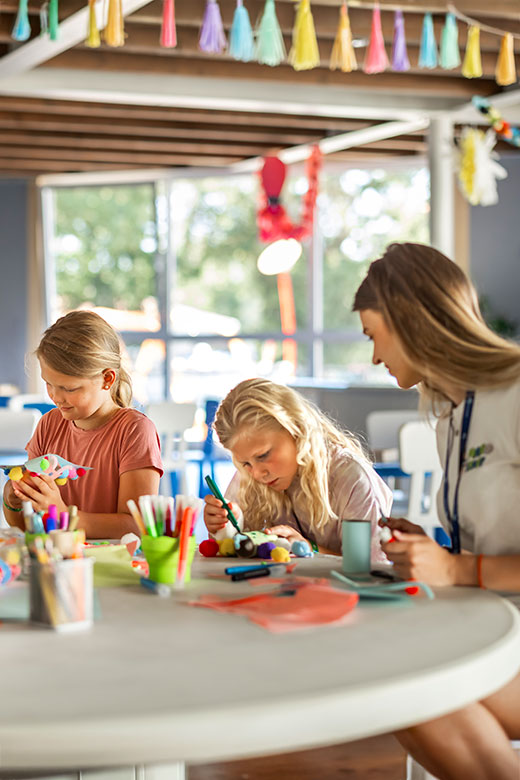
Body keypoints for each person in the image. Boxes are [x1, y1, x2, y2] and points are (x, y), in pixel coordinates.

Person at [353, 241, 520, 780]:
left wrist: (456, 570)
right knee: (395, 673)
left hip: (505, 625)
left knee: (417, 690)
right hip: (497, 620)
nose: (375, 357)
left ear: (412, 323)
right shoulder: (450, 408)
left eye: (374, 337)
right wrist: (433, 547)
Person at [3, 310, 163, 538]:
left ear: (107, 379)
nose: (56, 397)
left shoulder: (134, 430)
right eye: (48, 384)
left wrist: (62, 514)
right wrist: (14, 502)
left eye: (69, 388)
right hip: (57, 563)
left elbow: (137, 527)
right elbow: (28, 527)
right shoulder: (48, 425)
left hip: (113, 566)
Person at [203, 377, 392, 557]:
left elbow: (369, 569)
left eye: (263, 455)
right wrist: (225, 527)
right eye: (245, 463)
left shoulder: (353, 480)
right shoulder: (250, 475)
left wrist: (310, 549)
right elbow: (231, 549)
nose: (258, 473)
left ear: (297, 429)